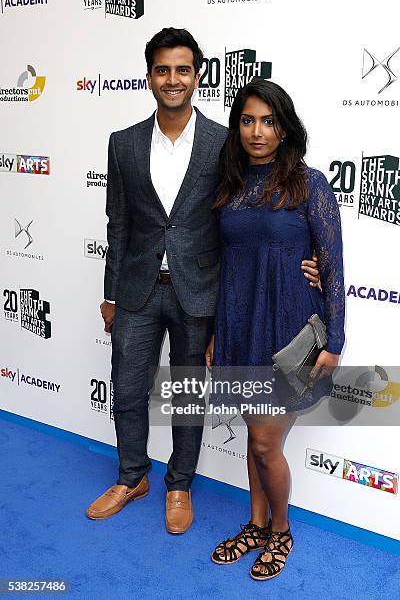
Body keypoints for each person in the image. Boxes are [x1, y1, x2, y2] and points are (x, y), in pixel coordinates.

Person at [86, 28, 320, 534]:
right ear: (149, 76)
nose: (173, 79)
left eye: (183, 70)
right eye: (163, 69)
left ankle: (179, 485)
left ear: (198, 76)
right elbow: (117, 221)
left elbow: (257, 206)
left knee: (189, 394)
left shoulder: (224, 141)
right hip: (136, 290)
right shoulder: (122, 143)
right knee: (126, 388)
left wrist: (309, 257)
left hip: (200, 292)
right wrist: (109, 294)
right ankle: (132, 476)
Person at [206, 79, 345, 578]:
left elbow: (332, 266)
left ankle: (281, 531)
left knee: (266, 443)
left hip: (290, 329)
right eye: (247, 120)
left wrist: (336, 339)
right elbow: (229, 261)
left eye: (268, 121)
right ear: (237, 126)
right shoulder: (230, 185)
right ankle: (256, 523)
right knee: (253, 436)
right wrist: (217, 334)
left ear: (284, 127)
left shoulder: (310, 184)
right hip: (240, 323)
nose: (257, 131)